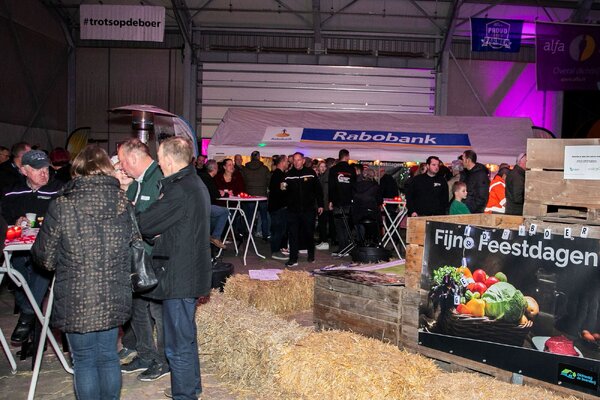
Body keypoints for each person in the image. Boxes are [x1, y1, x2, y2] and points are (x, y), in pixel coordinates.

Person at [32, 145, 132, 400]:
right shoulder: (123, 203)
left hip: (76, 295)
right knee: (108, 355)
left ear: (76, 170)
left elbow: (44, 257)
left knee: (85, 360)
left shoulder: (63, 205)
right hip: (113, 291)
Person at [137, 137, 212, 399]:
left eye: (159, 157)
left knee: (177, 345)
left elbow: (145, 224)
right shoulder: (193, 183)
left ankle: (184, 395)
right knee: (186, 338)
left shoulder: (179, 189)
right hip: (188, 270)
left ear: (168, 160)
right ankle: (191, 388)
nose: (158, 162)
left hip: (180, 275)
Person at [118, 139, 169, 382]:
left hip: (155, 258)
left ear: (135, 158)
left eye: (123, 161)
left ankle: (163, 360)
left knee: (158, 312)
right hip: (137, 259)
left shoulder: (160, 177)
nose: (122, 167)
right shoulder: (136, 183)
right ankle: (146, 354)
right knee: (137, 309)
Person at [1, 149, 63, 344]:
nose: (44, 173)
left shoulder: (59, 190)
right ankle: (30, 311)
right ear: (24, 171)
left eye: (46, 168)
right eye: (37, 170)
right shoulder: (13, 192)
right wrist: (14, 221)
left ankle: (27, 314)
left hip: (47, 248)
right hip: (19, 246)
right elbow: (4, 218)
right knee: (15, 270)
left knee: (42, 267)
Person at [283, 152, 323, 267]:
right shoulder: (288, 174)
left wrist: (320, 205)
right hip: (293, 210)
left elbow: (318, 190)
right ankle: (293, 259)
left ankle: (311, 255)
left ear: (303, 161)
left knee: (309, 233)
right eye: (294, 160)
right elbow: (284, 191)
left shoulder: (311, 173)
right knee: (293, 234)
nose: (296, 162)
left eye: (299, 160)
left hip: (308, 209)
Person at [328, 149, 356, 255]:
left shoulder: (333, 169)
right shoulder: (351, 169)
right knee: (346, 224)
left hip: (337, 201)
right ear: (347, 156)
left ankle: (342, 248)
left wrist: (330, 201)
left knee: (339, 225)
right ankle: (347, 248)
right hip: (348, 201)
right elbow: (354, 186)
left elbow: (331, 186)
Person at [241, 150, 270, 240]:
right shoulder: (265, 169)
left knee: (250, 217)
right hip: (262, 195)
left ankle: (249, 234)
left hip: (250, 195)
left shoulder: (245, 169)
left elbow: (243, 181)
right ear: (258, 157)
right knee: (264, 217)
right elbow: (269, 181)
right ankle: (265, 235)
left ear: (251, 157)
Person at [198, 159, 228, 249]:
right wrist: (225, 193)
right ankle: (215, 237)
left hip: (199, 206)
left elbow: (211, 191)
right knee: (225, 211)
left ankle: (209, 237)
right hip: (203, 207)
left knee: (214, 218)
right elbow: (216, 194)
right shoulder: (208, 179)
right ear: (214, 169)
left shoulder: (201, 176)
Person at [352, 168, 383, 244]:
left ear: (364, 176)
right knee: (377, 220)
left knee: (359, 222)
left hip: (357, 215)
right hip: (372, 215)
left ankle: (360, 241)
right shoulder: (376, 187)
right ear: (373, 176)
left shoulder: (356, 186)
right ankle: (375, 241)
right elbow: (379, 201)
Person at [268, 155, 289, 260]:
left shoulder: (277, 174)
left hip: (276, 206)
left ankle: (278, 249)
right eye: (287, 161)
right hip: (278, 207)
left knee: (279, 229)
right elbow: (282, 191)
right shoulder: (280, 175)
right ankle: (275, 251)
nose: (288, 163)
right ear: (282, 162)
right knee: (278, 230)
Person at [316, 159, 332, 250]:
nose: (322, 168)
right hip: (322, 203)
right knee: (322, 223)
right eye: (320, 167)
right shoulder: (320, 176)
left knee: (323, 223)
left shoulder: (325, 177)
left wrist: (323, 204)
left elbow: (324, 192)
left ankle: (324, 241)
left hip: (324, 204)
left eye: (323, 167)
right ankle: (323, 241)